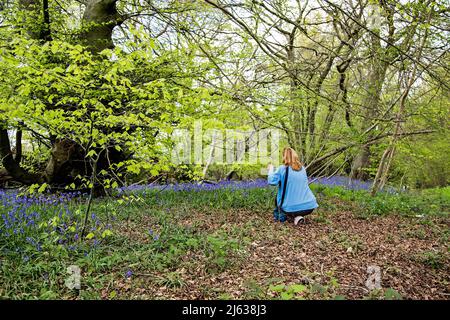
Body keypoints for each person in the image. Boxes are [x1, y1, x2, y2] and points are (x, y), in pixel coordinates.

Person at [267, 147, 318, 225]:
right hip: (309, 206)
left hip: (291, 207)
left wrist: (270, 170)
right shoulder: (302, 169)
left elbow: (272, 182)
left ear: (284, 157)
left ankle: (285, 216)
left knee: (278, 198)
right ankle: (298, 217)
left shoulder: (282, 169)